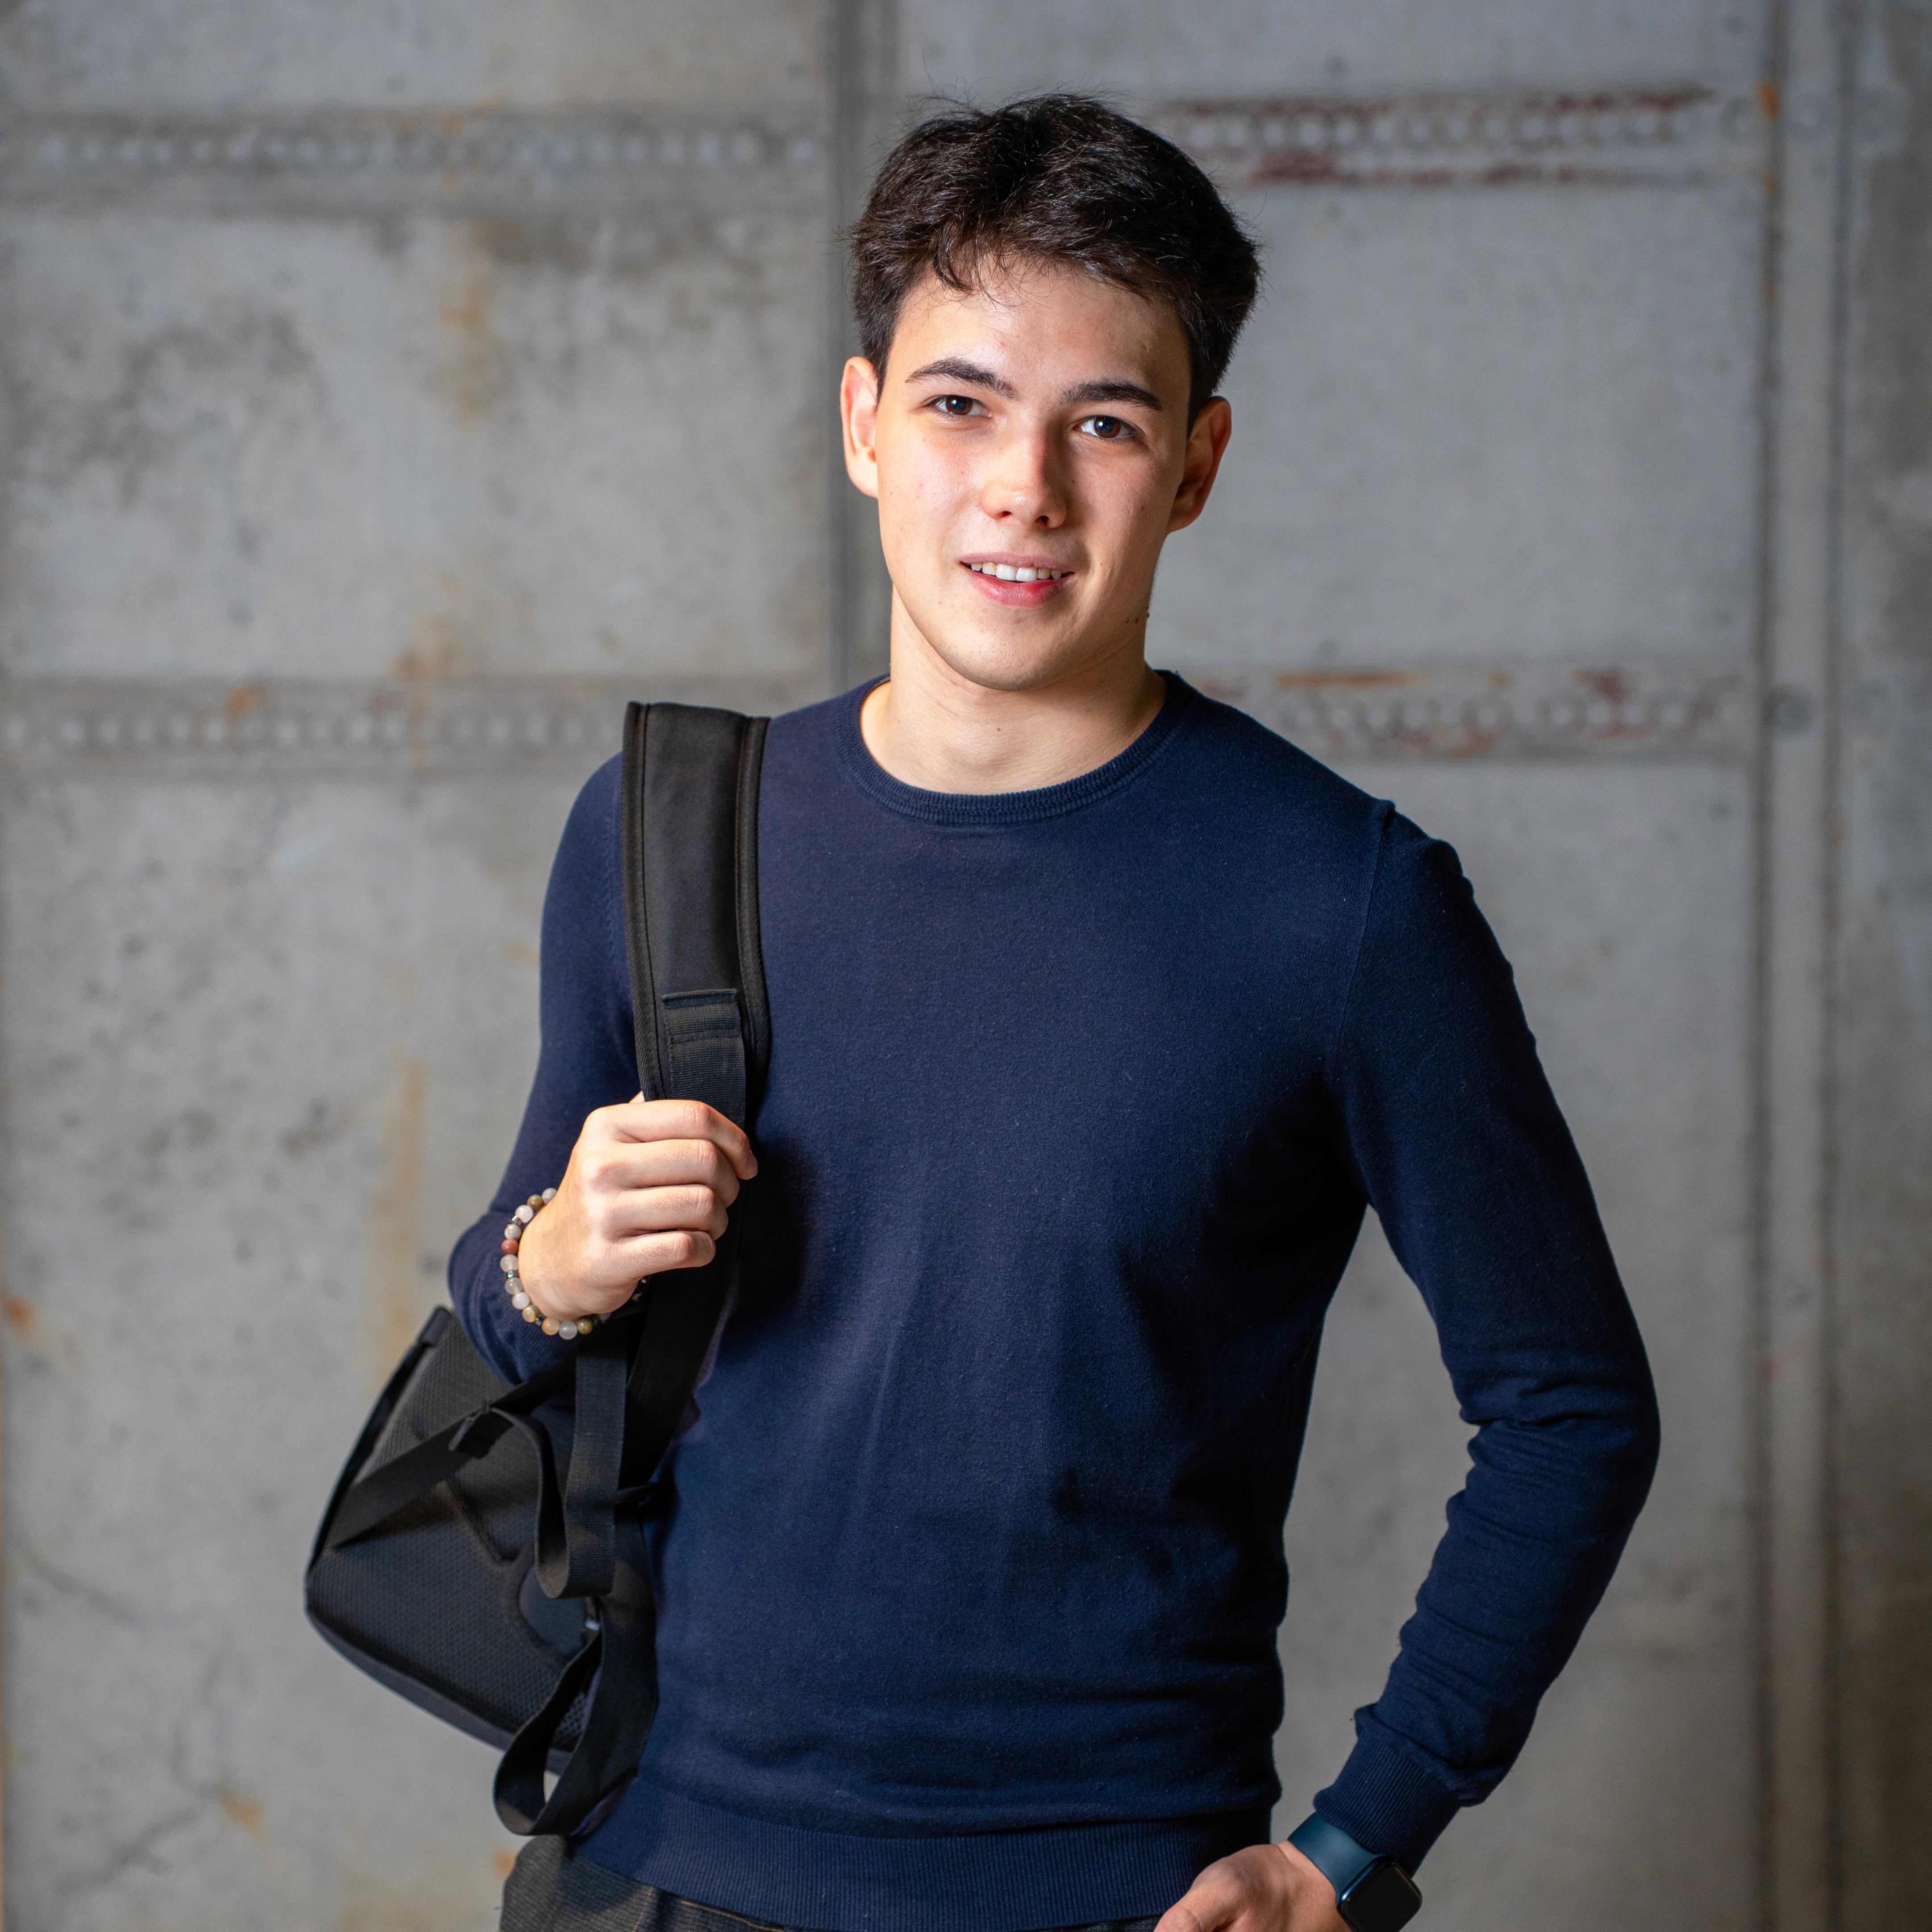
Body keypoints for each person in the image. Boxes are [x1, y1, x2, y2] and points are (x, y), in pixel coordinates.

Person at [456, 94, 1660, 1932]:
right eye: (956, 403)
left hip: (1113, 1889)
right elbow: (509, 1306)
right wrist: (547, 1258)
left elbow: (1570, 1401)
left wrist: (1353, 1843)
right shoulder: (667, 833)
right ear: (864, 425)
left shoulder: (1337, 902)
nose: (1021, 485)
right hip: (655, 1863)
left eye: (1101, 420)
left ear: (1192, 462)